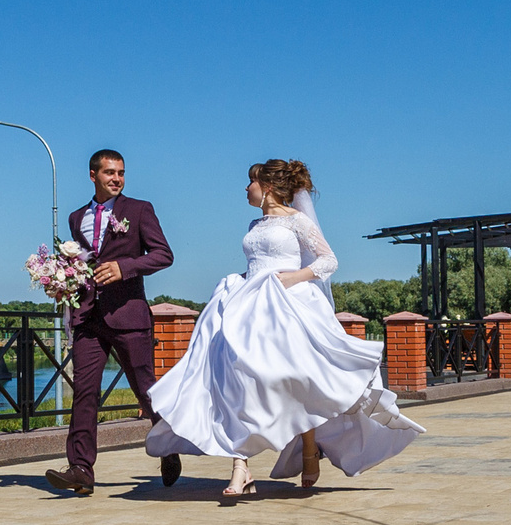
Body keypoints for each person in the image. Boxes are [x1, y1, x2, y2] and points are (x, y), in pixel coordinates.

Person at [145, 158, 423, 500]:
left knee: (294, 380)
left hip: (287, 303)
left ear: (268, 188)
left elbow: (328, 261)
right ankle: (240, 466)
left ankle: (309, 448)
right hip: (249, 303)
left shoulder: (297, 221)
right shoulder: (254, 222)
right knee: (237, 379)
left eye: (251, 182)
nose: (246, 188)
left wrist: (294, 277)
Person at [44, 149, 178, 497]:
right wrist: (61, 282)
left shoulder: (139, 210)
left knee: (146, 391)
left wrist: (125, 268)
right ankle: (81, 470)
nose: (116, 179)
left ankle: (169, 443)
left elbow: (164, 254)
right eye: (109, 173)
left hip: (128, 316)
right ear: (93, 175)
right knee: (84, 393)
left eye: (121, 173)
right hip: (89, 318)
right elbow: (81, 264)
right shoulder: (76, 218)